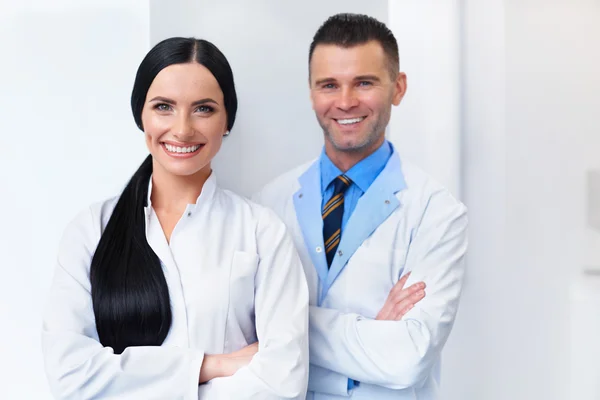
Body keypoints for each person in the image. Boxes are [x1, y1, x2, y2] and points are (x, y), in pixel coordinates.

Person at [42, 37, 309, 400]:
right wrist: (208, 365)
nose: (182, 129)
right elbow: (69, 374)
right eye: (164, 107)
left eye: (203, 109)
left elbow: (284, 381)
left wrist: (136, 380)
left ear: (227, 120)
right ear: (141, 115)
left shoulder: (262, 231)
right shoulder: (92, 230)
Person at [253, 13, 468, 399]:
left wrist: (287, 325)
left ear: (397, 88)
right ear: (311, 92)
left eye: (364, 83)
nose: (345, 101)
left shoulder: (436, 213)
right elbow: (245, 338)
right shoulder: (268, 203)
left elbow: (407, 358)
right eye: (329, 85)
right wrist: (373, 333)